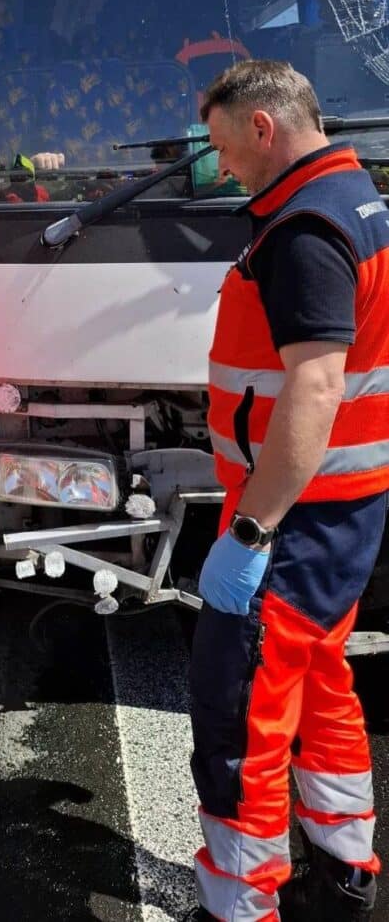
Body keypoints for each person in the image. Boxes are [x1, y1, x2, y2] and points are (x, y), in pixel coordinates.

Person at [189, 60, 388, 922]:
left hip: (294, 521)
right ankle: (345, 871)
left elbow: (313, 386)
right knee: (318, 683)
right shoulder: (359, 201)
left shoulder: (305, 227)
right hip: (343, 509)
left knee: (239, 715)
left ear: (262, 128)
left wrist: (250, 530)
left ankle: (240, 903)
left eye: (222, 144)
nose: (221, 164)